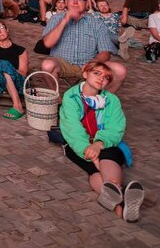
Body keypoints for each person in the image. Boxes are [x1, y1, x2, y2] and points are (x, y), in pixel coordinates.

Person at [59, 61, 145, 222]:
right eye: (96, 73)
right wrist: (88, 148)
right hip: (79, 144)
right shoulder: (71, 97)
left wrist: (99, 144)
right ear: (85, 74)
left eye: (106, 77)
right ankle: (123, 203)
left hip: (105, 142)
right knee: (93, 167)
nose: (101, 79)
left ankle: (115, 201)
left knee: (108, 157)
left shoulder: (112, 100)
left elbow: (116, 127)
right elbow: (72, 129)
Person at [40, 0, 127, 93]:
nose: (75, 1)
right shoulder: (56, 19)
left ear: (86, 4)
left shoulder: (97, 23)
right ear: (66, 2)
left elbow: (105, 52)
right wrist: (65, 20)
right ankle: (55, 100)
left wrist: (94, 62)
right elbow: (47, 43)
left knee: (120, 71)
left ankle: (97, 100)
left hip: (90, 64)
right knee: (47, 65)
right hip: (62, 63)